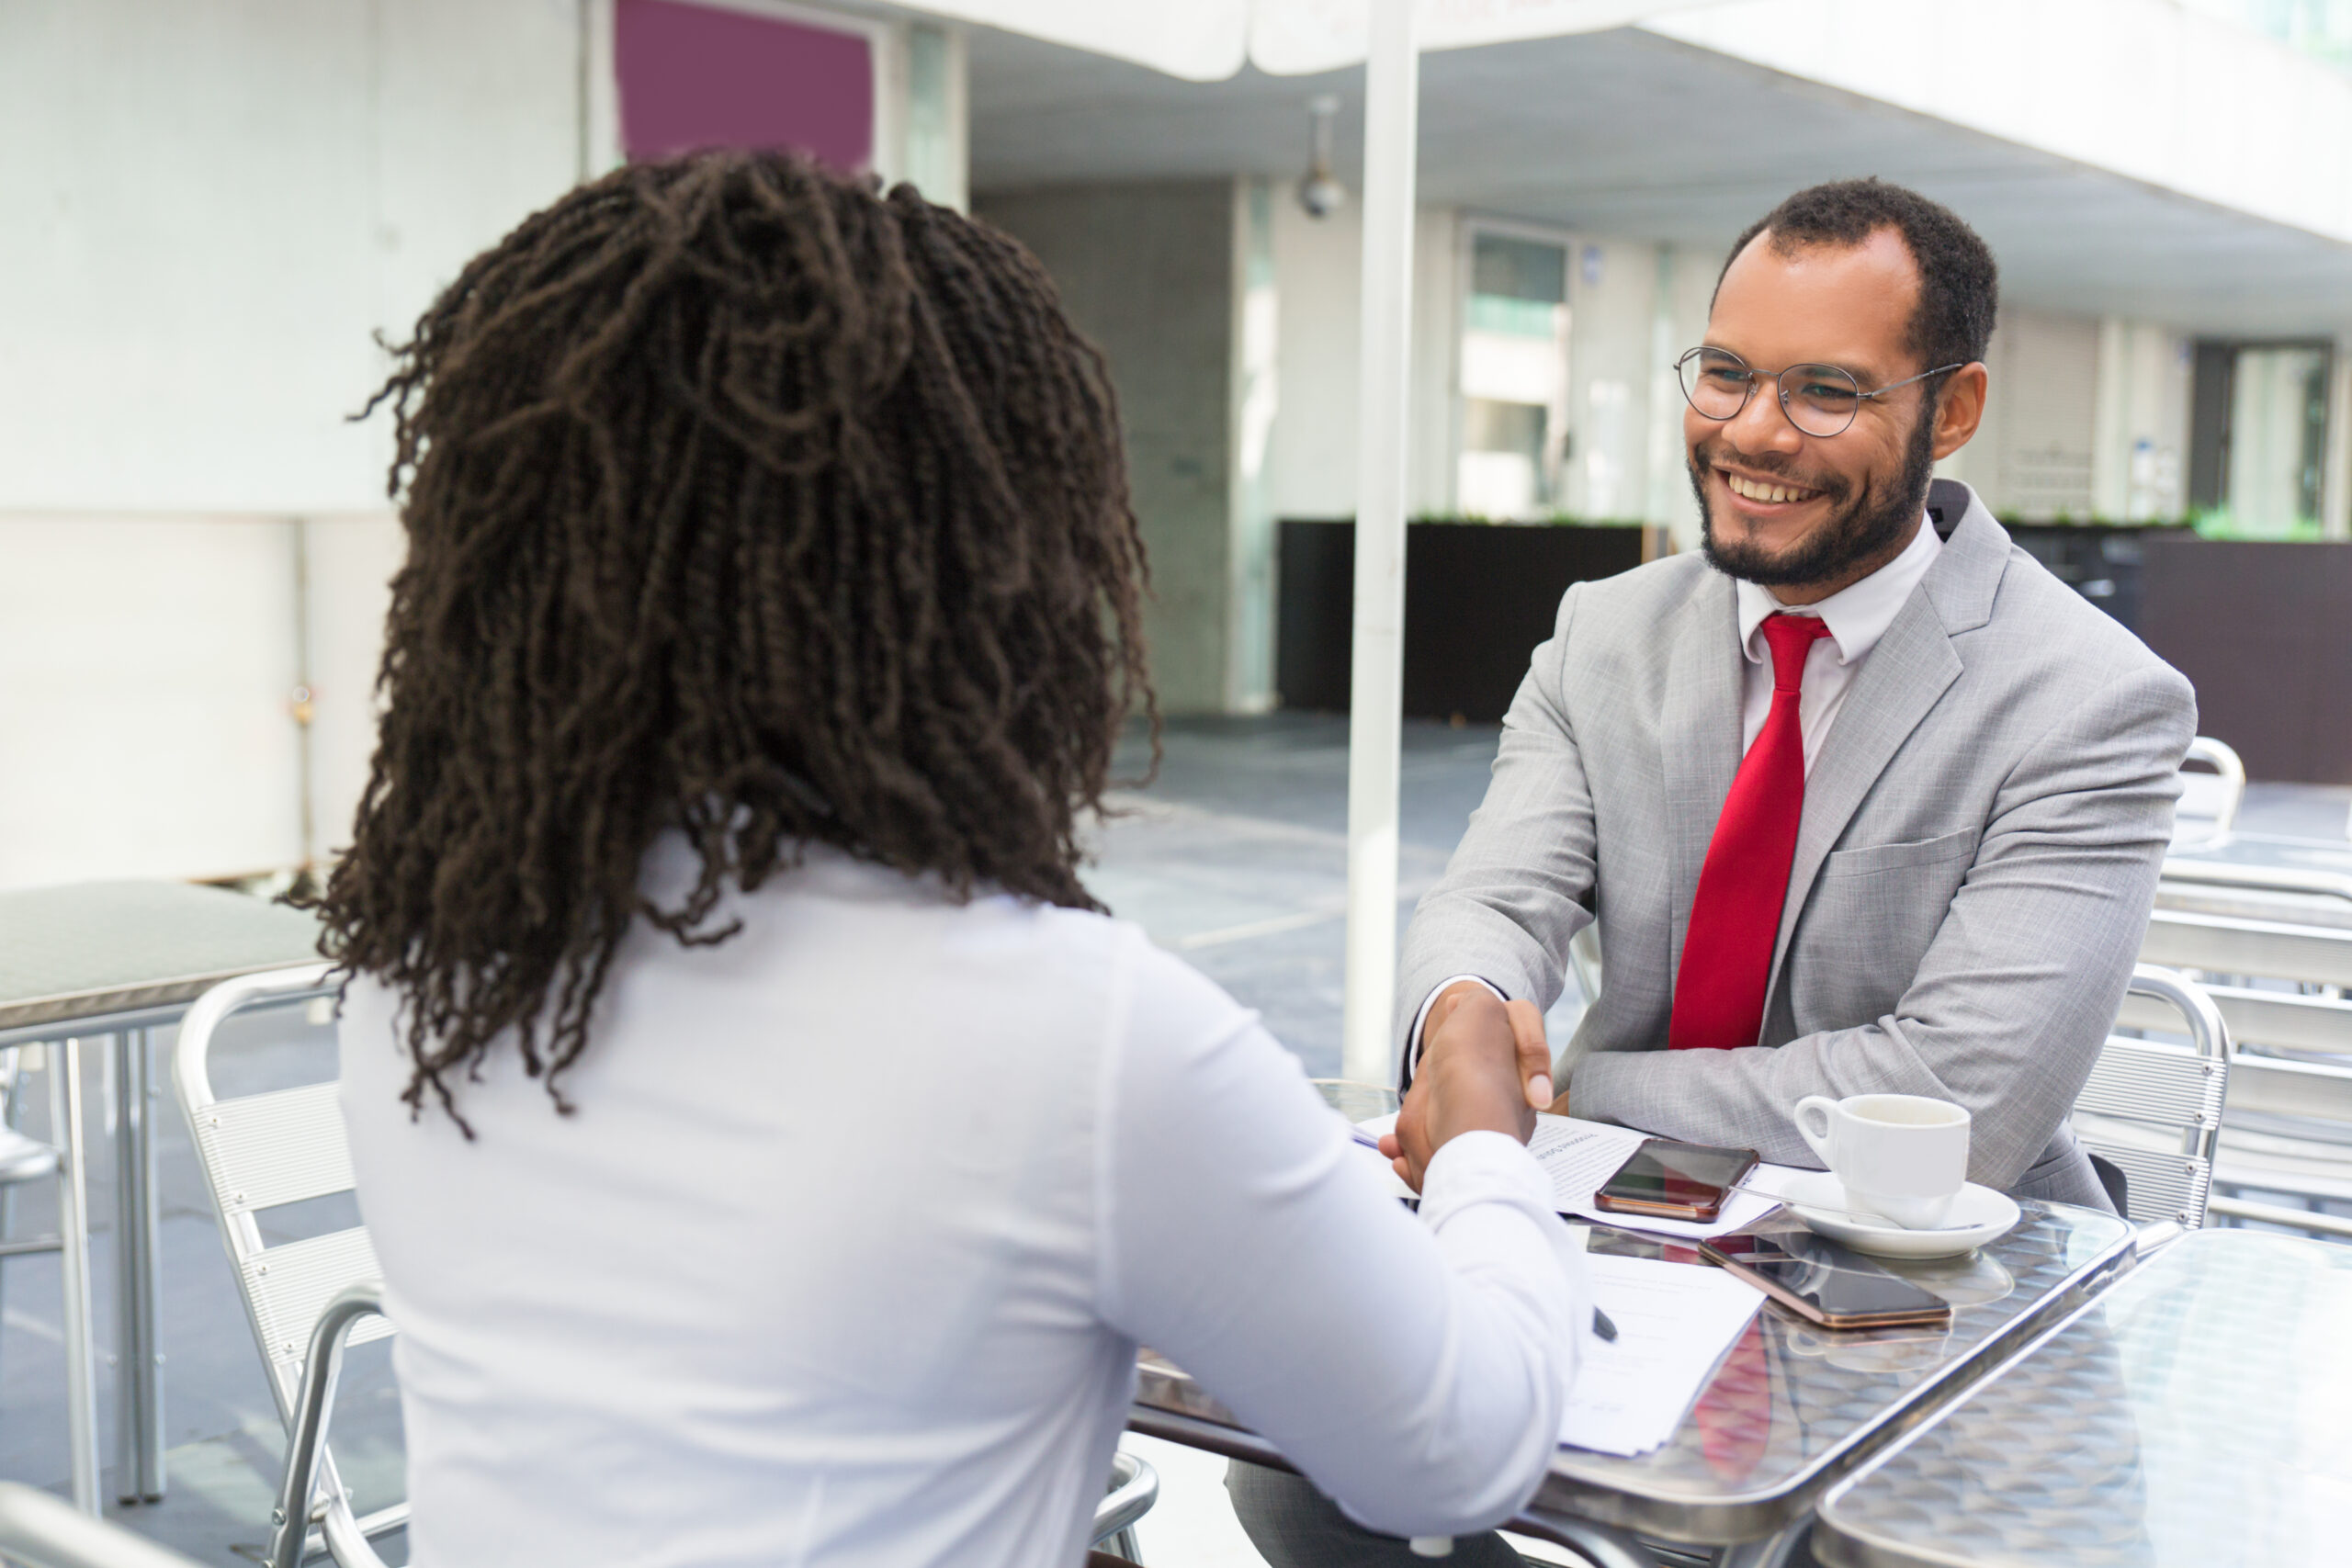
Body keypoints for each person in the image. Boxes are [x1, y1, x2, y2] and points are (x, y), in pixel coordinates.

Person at [314, 150, 1586, 1568]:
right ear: (988, 563)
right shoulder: (1074, 1035)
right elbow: (1457, 1454)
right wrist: (1480, 1138)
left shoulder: (424, 976)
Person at [1231, 178, 2195, 1563]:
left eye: (1823, 393)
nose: (1751, 431)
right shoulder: (1602, 633)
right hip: (1620, 1245)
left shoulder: (2092, 698)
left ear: (1954, 409)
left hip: (1935, 1307)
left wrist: (1539, 1095)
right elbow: (1496, 904)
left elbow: (1956, 1101)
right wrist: (1460, 1015)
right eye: (1728, 374)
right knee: (1311, 1462)